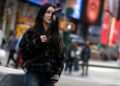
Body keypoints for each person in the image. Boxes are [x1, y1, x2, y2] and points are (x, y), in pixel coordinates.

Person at [19, 3, 65, 86]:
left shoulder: (57, 36)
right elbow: (23, 51)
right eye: (48, 12)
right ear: (41, 15)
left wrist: (57, 73)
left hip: (49, 78)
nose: (51, 15)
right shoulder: (31, 32)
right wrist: (37, 41)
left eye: (53, 13)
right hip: (33, 74)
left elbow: (61, 58)